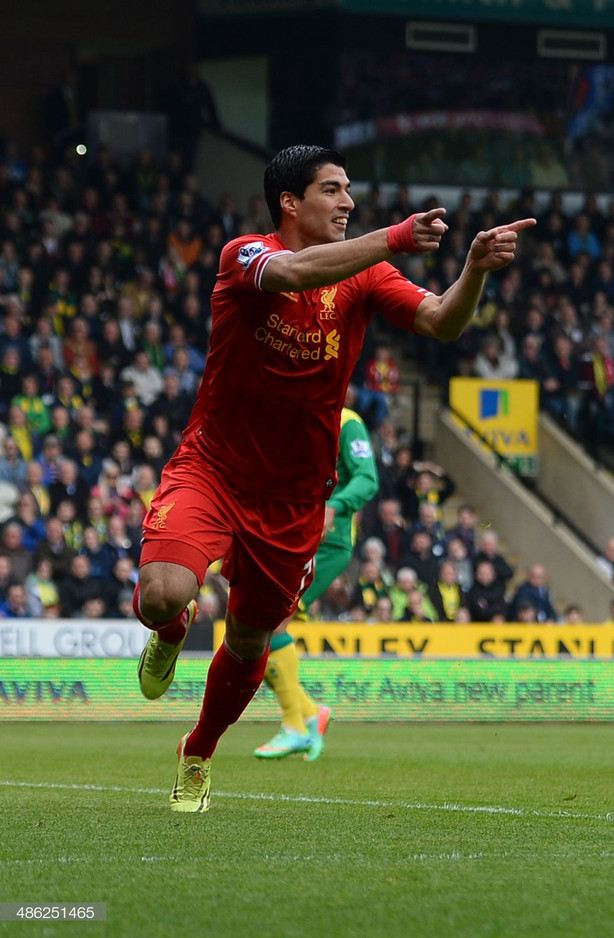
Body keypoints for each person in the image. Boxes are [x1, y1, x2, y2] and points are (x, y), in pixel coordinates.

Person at [131, 145, 534, 812]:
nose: (347, 201)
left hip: (293, 495)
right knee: (160, 596)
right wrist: (398, 237)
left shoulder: (366, 278)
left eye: (349, 189)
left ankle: (197, 752)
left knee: (252, 637)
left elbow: (440, 321)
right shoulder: (246, 256)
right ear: (290, 202)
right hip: (213, 468)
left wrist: (473, 273)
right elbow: (290, 274)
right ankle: (171, 631)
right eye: (332, 189)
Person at [252, 401, 378, 762]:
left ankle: (295, 726)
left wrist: (334, 506)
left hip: (325, 542)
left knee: (269, 627)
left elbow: (367, 478)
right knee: (248, 633)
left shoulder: (346, 421)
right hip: (286, 536)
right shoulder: (289, 421)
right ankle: (309, 713)